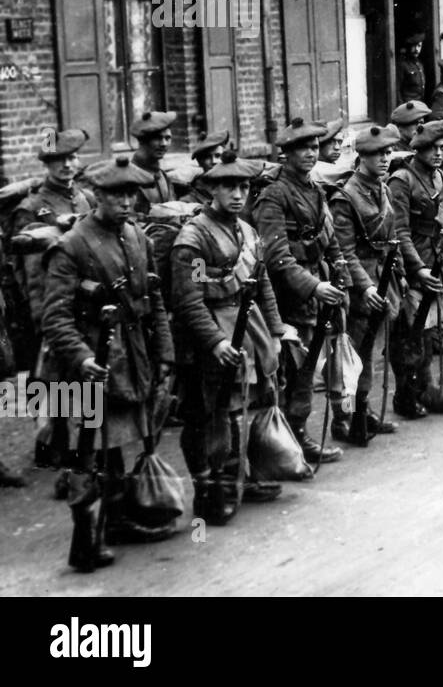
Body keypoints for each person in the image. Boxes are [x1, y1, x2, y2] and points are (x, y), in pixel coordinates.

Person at [43, 156, 177, 569]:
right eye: (115, 194)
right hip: (87, 364)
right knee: (87, 455)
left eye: (129, 194)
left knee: (115, 445)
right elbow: (54, 317)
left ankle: (116, 522)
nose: (124, 202)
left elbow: (152, 299)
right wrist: (81, 357)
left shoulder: (137, 236)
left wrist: (165, 350)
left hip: (130, 355)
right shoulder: (72, 245)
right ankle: (86, 540)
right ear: (96, 195)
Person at [170, 150, 287, 523]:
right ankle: (211, 489)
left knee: (241, 408)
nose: (238, 195)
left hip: (245, 326)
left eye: (243, 187)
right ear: (210, 191)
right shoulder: (194, 237)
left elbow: (262, 283)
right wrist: (215, 342)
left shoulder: (247, 230)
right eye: (229, 188)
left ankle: (239, 477)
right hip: (209, 335)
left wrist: (278, 328)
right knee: (211, 414)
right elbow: (189, 301)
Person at [250, 118, 349, 466]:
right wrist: (313, 287)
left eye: (313, 147)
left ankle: (299, 434)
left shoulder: (314, 189)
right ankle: (285, 441)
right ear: (286, 153)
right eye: (302, 148)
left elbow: (330, 238)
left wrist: (341, 274)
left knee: (308, 369)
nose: (311, 153)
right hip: (287, 297)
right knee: (291, 371)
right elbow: (276, 257)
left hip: (317, 291)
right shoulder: (273, 195)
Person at [9, 130, 94, 469]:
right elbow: (30, 273)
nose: (68, 165)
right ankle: (50, 445)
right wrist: (42, 315)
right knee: (48, 376)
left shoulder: (85, 198)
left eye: (72, 158)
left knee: (77, 371)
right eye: (59, 160)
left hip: (82, 297)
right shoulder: (31, 208)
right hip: (50, 302)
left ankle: (77, 444)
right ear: (46, 164)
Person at [329, 124, 403, 445]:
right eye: (377, 153)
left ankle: (363, 410)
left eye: (388, 153)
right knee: (349, 360)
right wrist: (365, 287)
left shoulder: (381, 188)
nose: (385, 158)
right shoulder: (347, 197)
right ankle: (343, 417)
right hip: (359, 289)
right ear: (361, 156)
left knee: (368, 354)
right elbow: (344, 251)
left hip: (382, 281)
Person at [387, 120, 443, 417]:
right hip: (413, 269)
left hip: (437, 264)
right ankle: (404, 396)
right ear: (418, 149)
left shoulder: (441, 177)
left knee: (429, 332)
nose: (439, 153)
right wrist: (417, 268)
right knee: (408, 336)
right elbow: (400, 231)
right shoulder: (402, 180)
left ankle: (423, 389)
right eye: (433, 148)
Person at [129, 111, 179, 211]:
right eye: (158, 138)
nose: (164, 144)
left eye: (167, 138)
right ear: (143, 141)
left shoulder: (162, 175)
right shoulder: (129, 177)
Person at [397, 33, 426, 104]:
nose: (416, 49)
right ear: (409, 46)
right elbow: (397, 90)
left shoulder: (419, 64)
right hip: (408, 107)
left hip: (419, 106)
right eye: (414, 46)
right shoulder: (403, 65)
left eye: (419, 46)